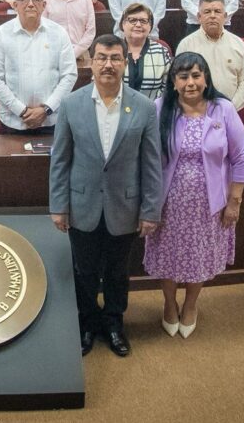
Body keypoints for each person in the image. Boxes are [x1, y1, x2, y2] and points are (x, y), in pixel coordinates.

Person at [49, 34, 162, 358]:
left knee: (116, 273)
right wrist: (59, 205)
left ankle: (113, 324)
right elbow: (61, 160)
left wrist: (150, 210)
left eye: (115, 58)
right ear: (91, 62)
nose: (108, 64)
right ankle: (86, 325)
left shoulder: (143, 106)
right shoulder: (72, 104)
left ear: (125, 63)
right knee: (83, 272)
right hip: (81, 204)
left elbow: (151, 163)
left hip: (125, 206)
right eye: (102, 58)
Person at [143, 52, 244, 338]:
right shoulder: (159, 108)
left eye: (196, 75)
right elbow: (146, 158)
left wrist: (234, 202)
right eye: (183, 77)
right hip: (168, 203)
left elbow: (241, 157)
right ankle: (168, 302)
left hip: (210, 204)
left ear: (205, 78)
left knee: (200, 257)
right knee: (168, 255)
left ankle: (191, 304)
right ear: (173, 81)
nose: (190, 82)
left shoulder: (223, 109)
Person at [0, 0, 77, 132]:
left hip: (51, 120)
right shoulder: (0, 34)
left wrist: (47, 109)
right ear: (15, 5)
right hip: (13, 121)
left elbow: (69, 75)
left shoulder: (59, 33)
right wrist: (21, 111)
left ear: (44, 5)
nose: (30, 4)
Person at [176, 0, 244, 111]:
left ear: (225, 16)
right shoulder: (186, 45)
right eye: (207, 12)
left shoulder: (238, 44)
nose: (212, 16)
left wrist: (230, 108)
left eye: (217, 11)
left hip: (231, 111)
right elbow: (180, 81)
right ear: (199, 16)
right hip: (196, 112)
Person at [120, 2, 172, 100]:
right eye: (132, 20)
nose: (138, 25)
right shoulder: (112, 50)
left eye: (143, 21)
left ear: (150, 26)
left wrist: (151, 108)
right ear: (123, 24)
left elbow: (168, 87)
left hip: (153, 111)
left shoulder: (161, 52)